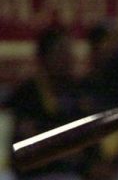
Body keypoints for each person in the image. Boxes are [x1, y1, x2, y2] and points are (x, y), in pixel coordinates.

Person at [3, 26, 92, 180]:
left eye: (70, 52)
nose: (69, 59)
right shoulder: (25, 95)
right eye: (62, 52)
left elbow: (88, 147)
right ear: (44, 57)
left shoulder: (78, 93)